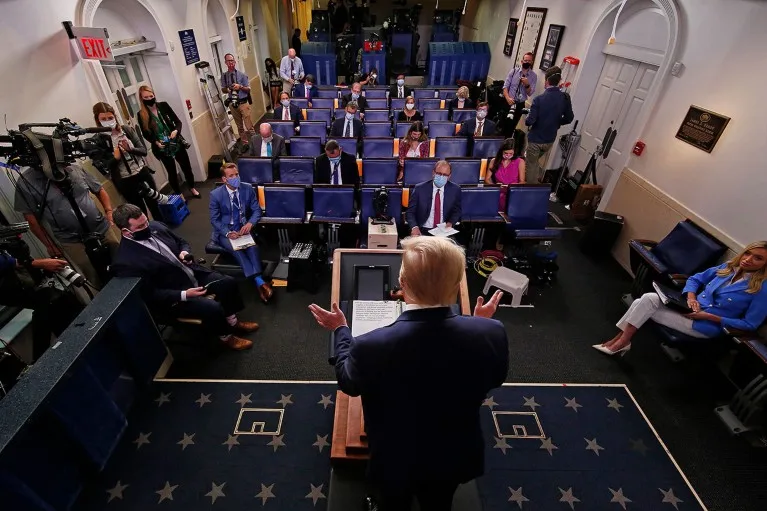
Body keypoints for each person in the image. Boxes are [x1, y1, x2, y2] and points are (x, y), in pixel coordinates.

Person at [308, 236, 508, 510]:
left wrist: (341, 330)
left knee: (393, 503)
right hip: (454, 452)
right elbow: (493, 377)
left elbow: (349, 381)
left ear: (402, 285)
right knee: (439, 502)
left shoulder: (370, 345)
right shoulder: (492, 332)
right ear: (455, 285)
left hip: (394, 457)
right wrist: (477, 325)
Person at [110, 204, 257, 350]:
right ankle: (226, 337)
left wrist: (184, 252)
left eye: (146, 222)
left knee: (228, 283)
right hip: (174, 295)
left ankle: (232, 322)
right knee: (212, 307)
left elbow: (182, 242)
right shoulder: (126, 261)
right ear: (126, 232)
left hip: (190, 273)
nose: (147, 227)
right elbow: (149, 294)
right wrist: (184, 294)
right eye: (141, 226)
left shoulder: (156, 226)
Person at [595, 242, 767, 357]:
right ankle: (622, 341)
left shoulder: (762, 289)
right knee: (647, 299)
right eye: (748, 253)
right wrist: (692, 297)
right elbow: (695, 279)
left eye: (757, 258)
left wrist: (709, 317)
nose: (747, 259)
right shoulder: (728, 268)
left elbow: (750, 325)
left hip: (706, 326)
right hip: (687, 309)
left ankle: (620, 341)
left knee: (644, 301)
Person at [14, 164, 120, 289]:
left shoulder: (75, 168)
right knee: (93, 276)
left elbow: (99, 189)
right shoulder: (26, 182)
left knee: (121, 260)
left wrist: (109, 212)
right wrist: (49, 245)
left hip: (101, 227)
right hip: (72, 240)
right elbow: (31, 220)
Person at [0, 251, 83, 363]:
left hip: (26, 282)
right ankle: (42, 361)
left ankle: (44, 359)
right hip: (9, 287)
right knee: (48, 303)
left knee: (49, 304)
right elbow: (7, 262)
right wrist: (38, 263)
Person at [210, 163, 273, 303]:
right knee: (237, 251)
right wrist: (227, 233)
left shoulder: (247, 188)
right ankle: (260, 282)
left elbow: (256, 210)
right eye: (231, 176)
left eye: (236, 174)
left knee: (253, 248)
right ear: (224, 179)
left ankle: (258, 283)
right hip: (226, 231)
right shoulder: (215, 195)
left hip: (243, 228)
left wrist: (250, 223)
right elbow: (214, 220)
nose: (235, 178)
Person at [91, 102, 163, 220]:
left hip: (142, 172)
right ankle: (148, 234)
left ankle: (162, 232)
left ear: (115, 117)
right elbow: (103, 168)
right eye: (103, 119)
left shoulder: (126, 130)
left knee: (155, 205)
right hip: (125, 181)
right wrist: (115, 158)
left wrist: (131, 149)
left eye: (110, 117)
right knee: (138, 212)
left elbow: (143, 151)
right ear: (98, 120)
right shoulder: (97, 141)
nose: (108, 121)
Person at [137, 85, 201, 199]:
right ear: (141, 99)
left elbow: (177, 122)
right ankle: (179, 194)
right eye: (146, 97)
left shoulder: (163, 106)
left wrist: (176, 131)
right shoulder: (141, 114)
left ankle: (192, 187)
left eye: (151, 96)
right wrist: (156, 142)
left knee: (186, 167)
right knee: (172, 172)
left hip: (175, 142)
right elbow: (145, 133)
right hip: (161, 147)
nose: (150, 99)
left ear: (154, 95)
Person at [524, 66, 574, 183]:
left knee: (530, 165)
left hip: (536, 139)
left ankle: (530, 191)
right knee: (535, 162)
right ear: (559, 81)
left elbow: (530, 121)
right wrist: (556, 122)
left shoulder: (539, 100)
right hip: (549, 139)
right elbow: (569, 118)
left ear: (546, 81)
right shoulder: (565, 98)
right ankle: (536, 181)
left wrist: (527, 117)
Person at [406, 160, 462, 236]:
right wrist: (414, 227)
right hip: (423, 230)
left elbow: (457, 211)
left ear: (449, 177)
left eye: (445, 175)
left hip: (444, 230)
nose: (441, 177)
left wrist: (450, 223)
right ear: (433, 173)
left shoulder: (455, 190)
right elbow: (410, 212)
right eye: (439, 173)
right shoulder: (419, 189)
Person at [220, 53, 255, 150]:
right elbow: (223, 89)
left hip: (243, 102)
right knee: (239, 126)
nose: (230, 63)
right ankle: (245, 144)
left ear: (235, 62)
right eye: (228, 61)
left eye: (232, 60)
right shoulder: (224, 76)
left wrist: (240, 87)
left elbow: (248, 89)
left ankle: (256, 142)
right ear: (225, 63)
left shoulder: (242, 75)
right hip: (233, 103)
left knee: (249, 125)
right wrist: (228, 90)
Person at [485, 138, 526, 210]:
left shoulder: (520, 162)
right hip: (498, 192)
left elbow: (522, 181)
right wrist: (495, 186)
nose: (508, 155)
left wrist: (513, 186)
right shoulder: (494, 161)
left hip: (513, 193)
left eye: (511, 154)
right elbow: (487, 179)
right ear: (501, 152)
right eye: (506, 153)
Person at [503, 52, 538, 133]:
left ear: (532, 62)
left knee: (512, 127)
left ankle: (508, 143)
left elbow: (530, 93)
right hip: (508, 101)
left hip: (520, 104)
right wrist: (507, 98)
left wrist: (527, 85)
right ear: (522, 61)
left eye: (529, 61)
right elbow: (505, 87)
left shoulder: (533, 76)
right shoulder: (514, 71)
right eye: (525, 60)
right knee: (503, 125)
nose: (527, 62)